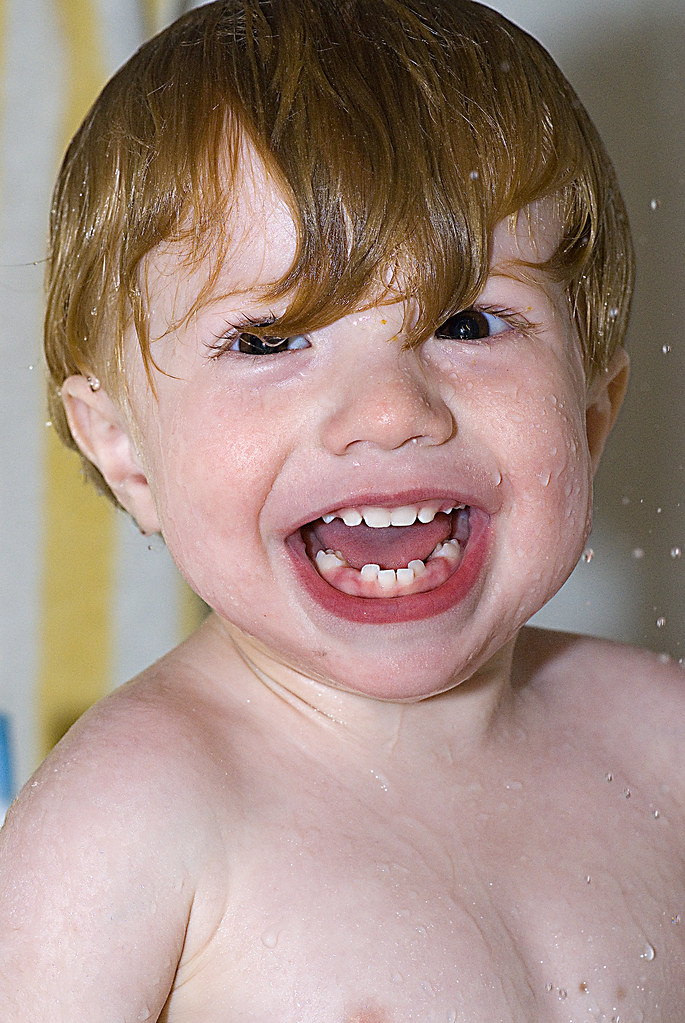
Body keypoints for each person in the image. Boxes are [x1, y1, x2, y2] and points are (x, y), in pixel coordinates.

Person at [1, 1, 683, 1019]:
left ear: (589, 415)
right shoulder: (128, 825)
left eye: (467, 322)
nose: (390, 410)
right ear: (122, 449)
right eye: (269, 341)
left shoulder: (662, 742)